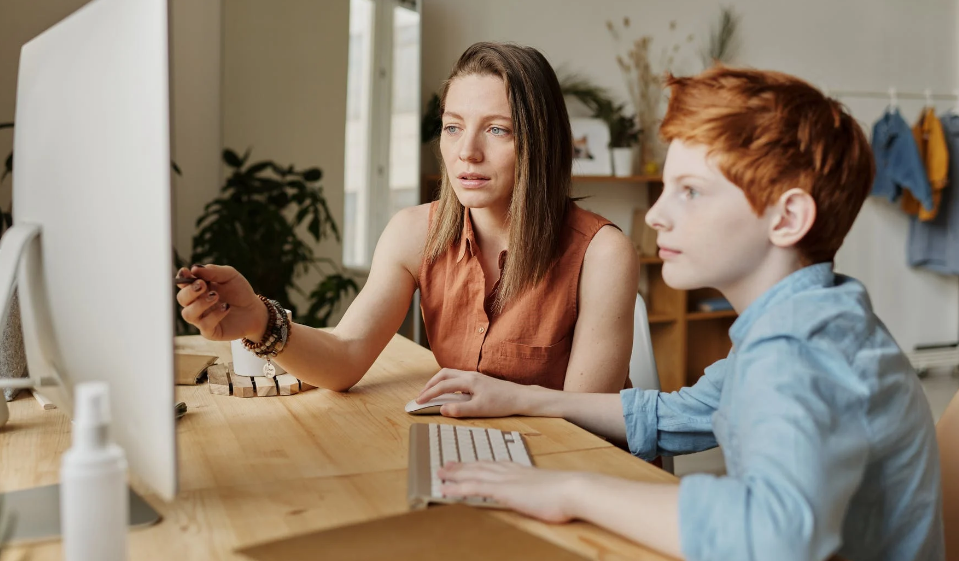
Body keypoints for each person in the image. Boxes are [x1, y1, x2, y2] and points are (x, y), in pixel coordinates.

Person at [417, 66, 945, 560]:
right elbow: (677, 414)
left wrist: (571, 489)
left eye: (690, 192)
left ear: (787, 218)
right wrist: (524, 398)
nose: (656, 214)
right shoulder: (811, 317)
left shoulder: (799, 349)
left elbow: (773, 534)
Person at [175, 42, 638, 394]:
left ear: (541, 143)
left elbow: (585, 424)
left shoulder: (602, 254)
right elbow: (345, 357)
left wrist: (500, 402)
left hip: (573, 471)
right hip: (478, 455)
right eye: (453, 127)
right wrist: (259, 320)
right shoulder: (414, 232)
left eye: (497, 130)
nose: (466, 152)